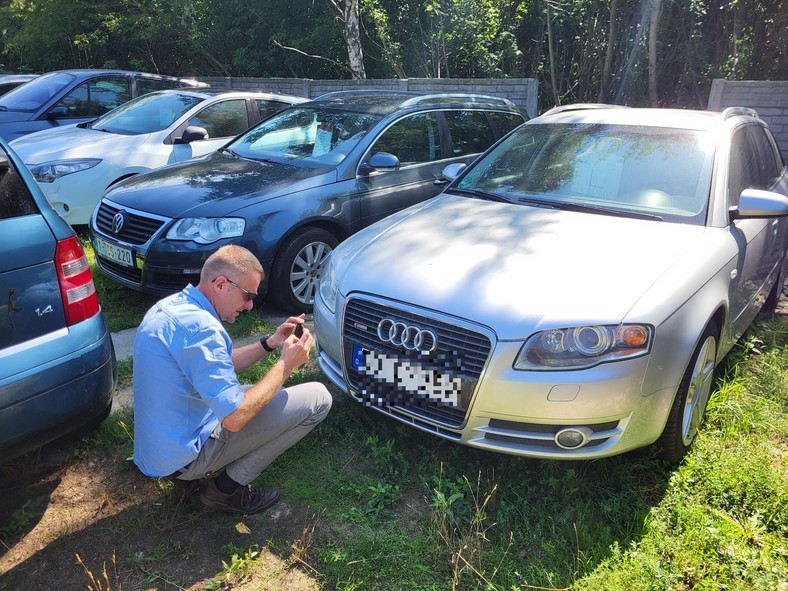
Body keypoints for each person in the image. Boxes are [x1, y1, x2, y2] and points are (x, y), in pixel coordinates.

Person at [132, 245, 332, 514]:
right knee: (319, 398)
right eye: (247, 295)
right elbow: (235, 419)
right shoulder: (202, 329)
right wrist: (286, 365)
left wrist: (270, 343)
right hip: (186, 454)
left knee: (265, 394)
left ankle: (189, 479)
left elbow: (217, 364)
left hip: (163, 449)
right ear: (221, 284)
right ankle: (226, 490)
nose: (249, 306)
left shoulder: (172, 308)